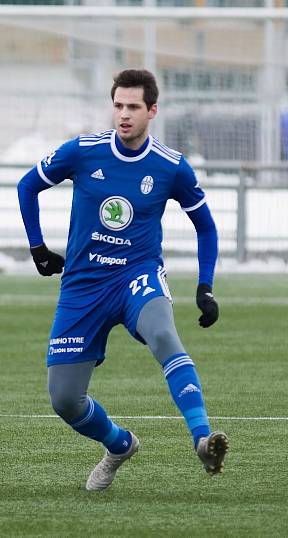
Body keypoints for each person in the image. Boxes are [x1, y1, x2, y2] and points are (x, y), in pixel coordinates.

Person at [16, 69, 228, 491]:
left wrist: (205, 286)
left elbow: (206, 227)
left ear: (152, 110)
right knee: (64, 400)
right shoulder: (82, 152)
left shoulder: (171, 167)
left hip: (137, 277)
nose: (124, 115)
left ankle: (203, 439)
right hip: (83, 286)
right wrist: (38, 248)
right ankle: (120, 444)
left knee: (164, 336)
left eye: (133, 107)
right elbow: (27, 186)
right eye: (118, 106)